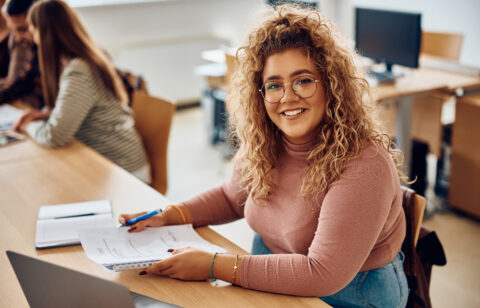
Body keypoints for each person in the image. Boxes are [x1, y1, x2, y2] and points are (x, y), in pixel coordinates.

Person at [120, 5, 409, 307]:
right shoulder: (268, 141)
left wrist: (212, 264)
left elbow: (323, 273)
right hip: (274, 282)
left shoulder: (364, 162)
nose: (287, 97)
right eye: (274, 85)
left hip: (351, 296)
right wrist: (171, 215)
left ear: (332, 85)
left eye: (303, 80)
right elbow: (231, 197)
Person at [13, 0, 150, 183]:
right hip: (110, 166)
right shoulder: (78, 61)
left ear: (46, 33)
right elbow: (73, 111)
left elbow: (54, 136)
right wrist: (44, 115)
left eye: (33, 29)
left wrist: (27, 126)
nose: (32, 37)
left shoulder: (79, 70)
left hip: (124, 174)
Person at [0, 0, 43, 108]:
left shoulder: (65, 60)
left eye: (23, 29)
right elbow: (18, 84)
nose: (18, 38)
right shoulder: (35, 52)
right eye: (15, 31)